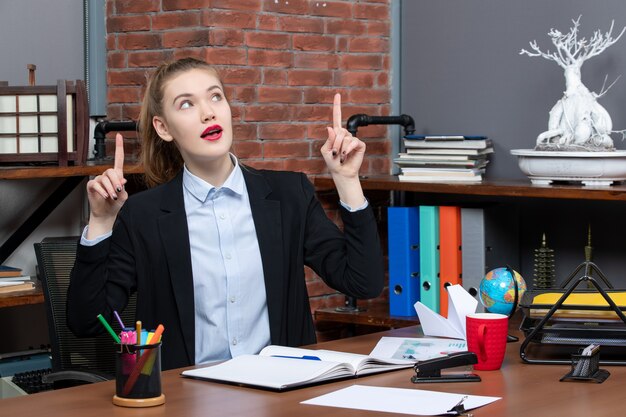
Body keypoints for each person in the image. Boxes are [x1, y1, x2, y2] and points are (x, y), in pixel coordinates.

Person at [67, 57, 384, 371]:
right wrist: (101, 222)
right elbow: (87, 322)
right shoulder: (143, 215)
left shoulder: (289, 196)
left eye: (215, 96)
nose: (208, 113)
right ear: (163, 128)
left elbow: (362, 282)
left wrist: (347, 181)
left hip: (281, 392)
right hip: (187, 399)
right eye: (187, 104)